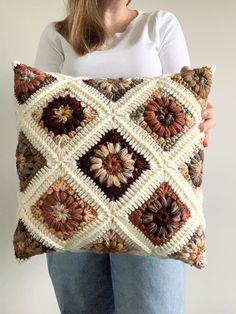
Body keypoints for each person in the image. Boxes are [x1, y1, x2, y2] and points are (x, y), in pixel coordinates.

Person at [34, 1, 216, 313]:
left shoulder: (159, 25)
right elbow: (40, 114)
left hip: (154, 200)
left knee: (152, 306)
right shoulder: (57, 34)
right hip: (70, 201)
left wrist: (200, 114)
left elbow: (180, 108)